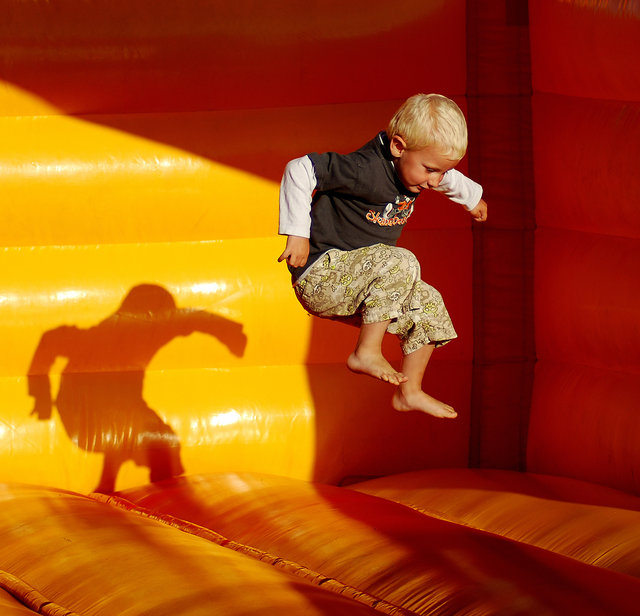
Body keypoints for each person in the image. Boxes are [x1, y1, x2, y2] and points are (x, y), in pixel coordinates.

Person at [278, 94, 487, 419]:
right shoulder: (364, 169)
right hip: (322, 275)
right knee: (403, 261)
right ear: (398, 147)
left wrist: (472, 198)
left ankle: (409, 391)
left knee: (429, 303)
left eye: (442, 172)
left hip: (361, 285)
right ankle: (366, 352)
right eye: (430, 170)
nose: (435, 181)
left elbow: (447, 177)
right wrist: (297, 233)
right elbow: (300, 169)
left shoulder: (417, 166)